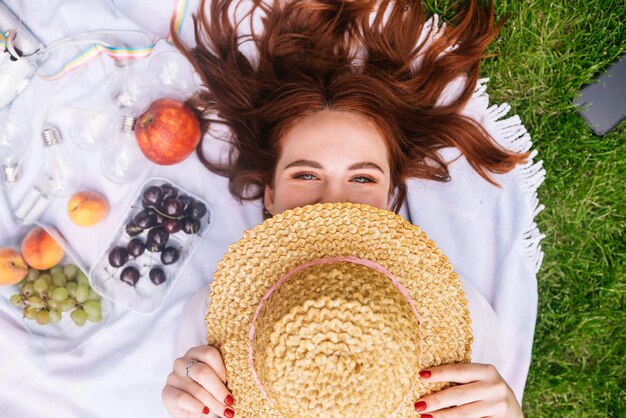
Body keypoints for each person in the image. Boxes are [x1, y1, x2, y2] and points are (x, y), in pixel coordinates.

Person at [163, 0, 528, 417]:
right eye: (305, 175)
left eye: (362, 178)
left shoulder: (469, 318)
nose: (333, 202)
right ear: (269, 193)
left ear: (392, 196)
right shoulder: (206, 326)